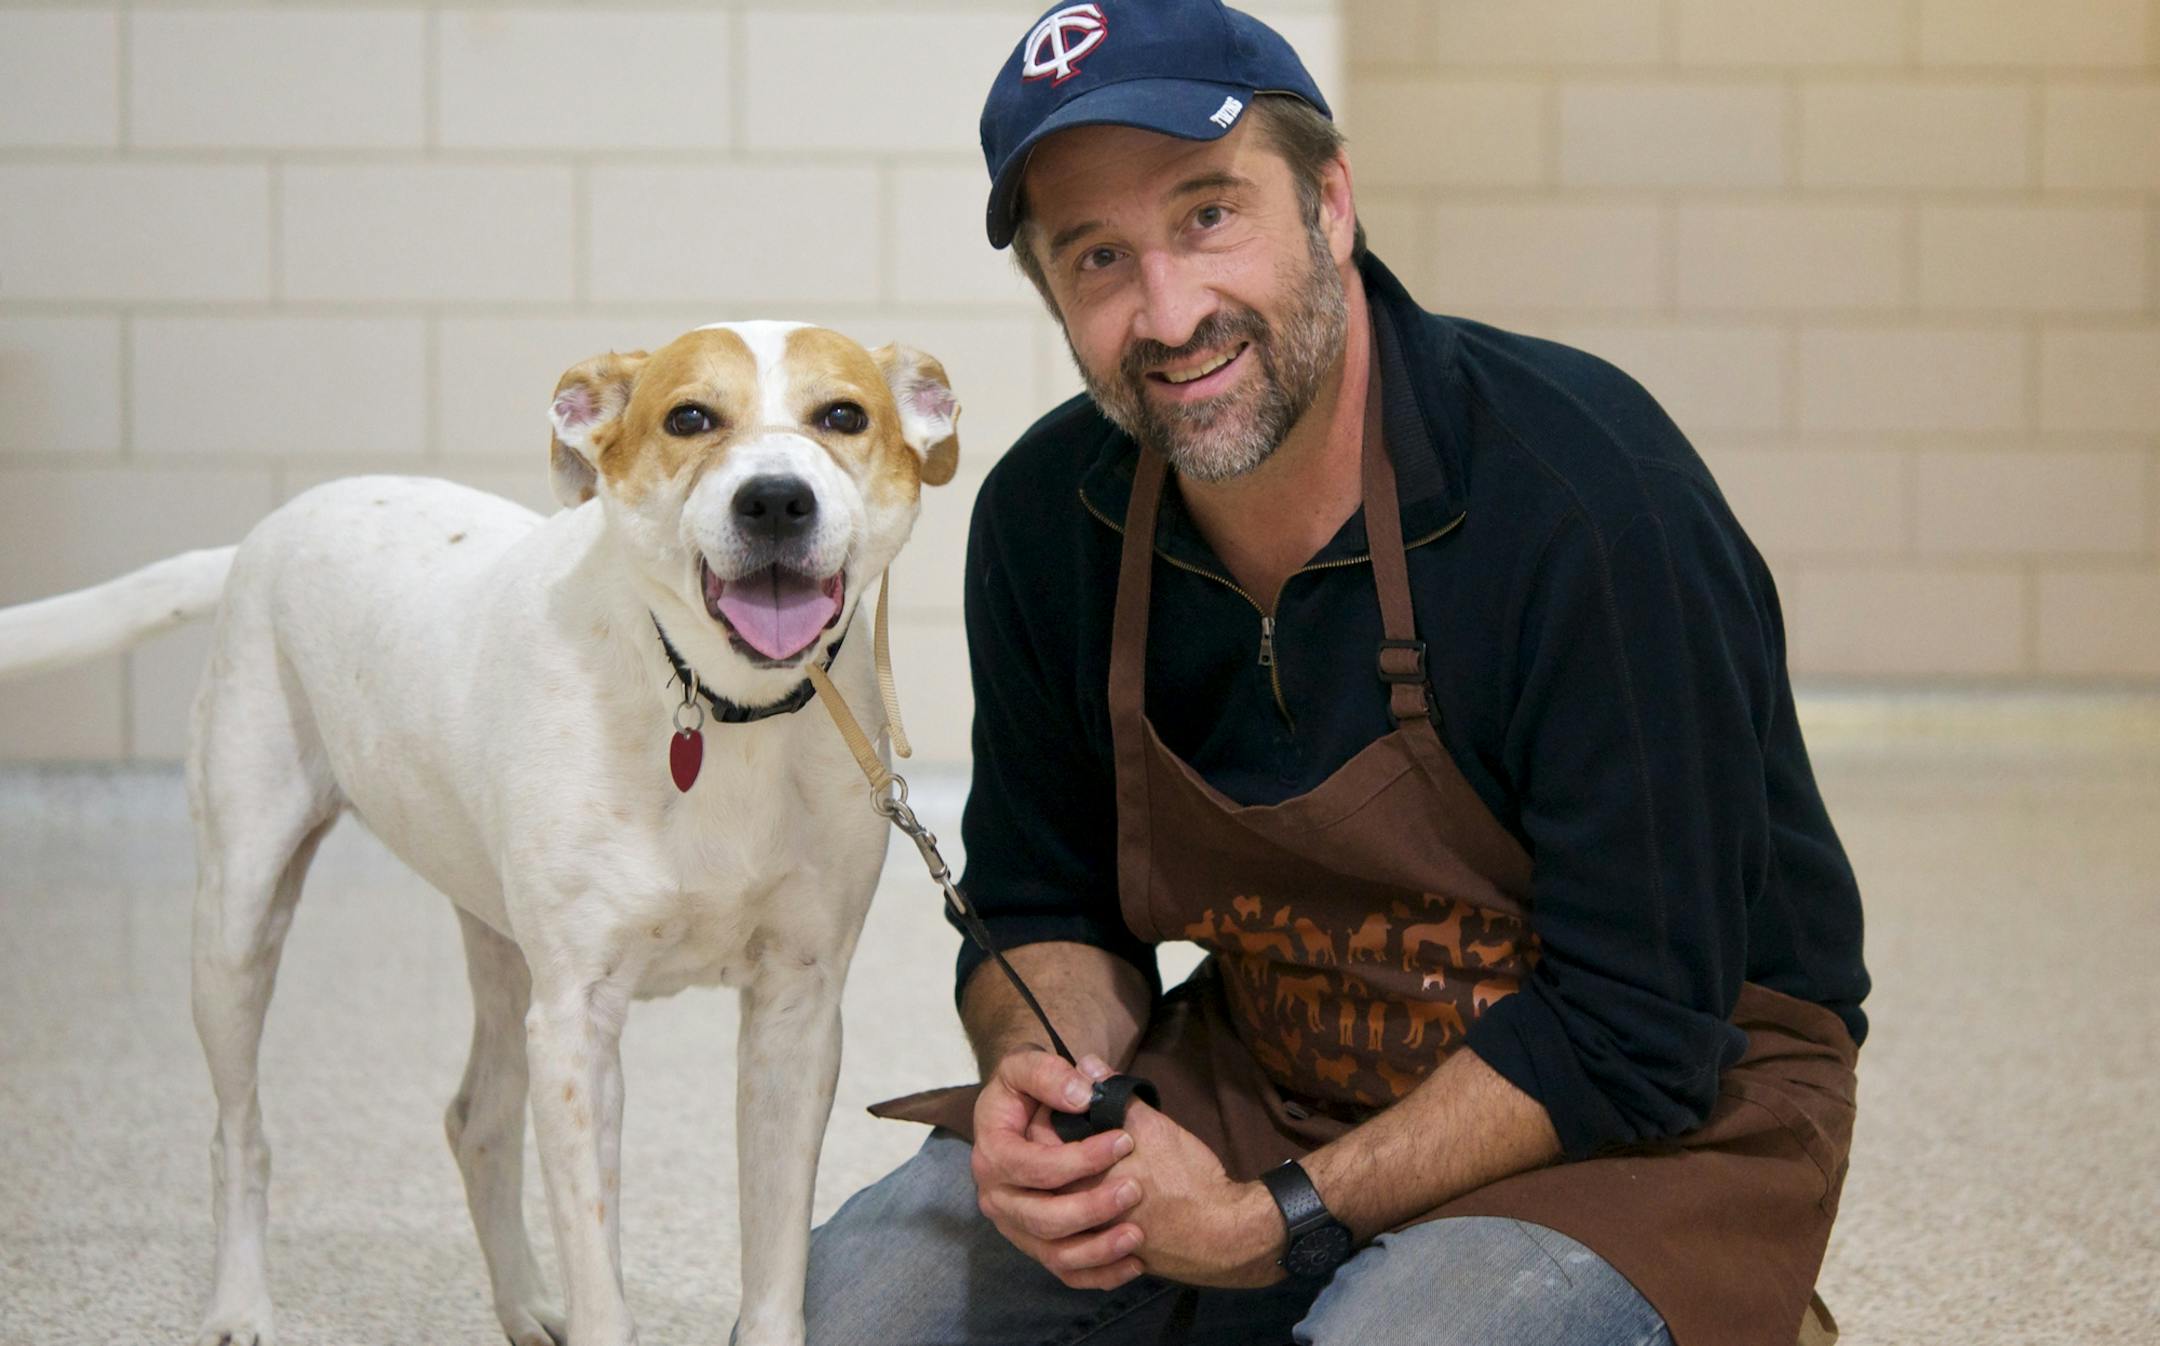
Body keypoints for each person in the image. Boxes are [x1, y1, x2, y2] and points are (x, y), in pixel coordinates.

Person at [777, 2, 1869, 1343]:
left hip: (1639, 1125)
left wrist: (1266, 1222)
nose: (1169, 311)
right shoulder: (1050, 519)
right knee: (851, 1310)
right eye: (1100, 256)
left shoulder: (1586, 499)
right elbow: (1043, 899)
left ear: (1332, 204)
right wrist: (1045, 1085)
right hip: (1277, 1066)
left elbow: (1637, 1027)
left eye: (1208, 215)